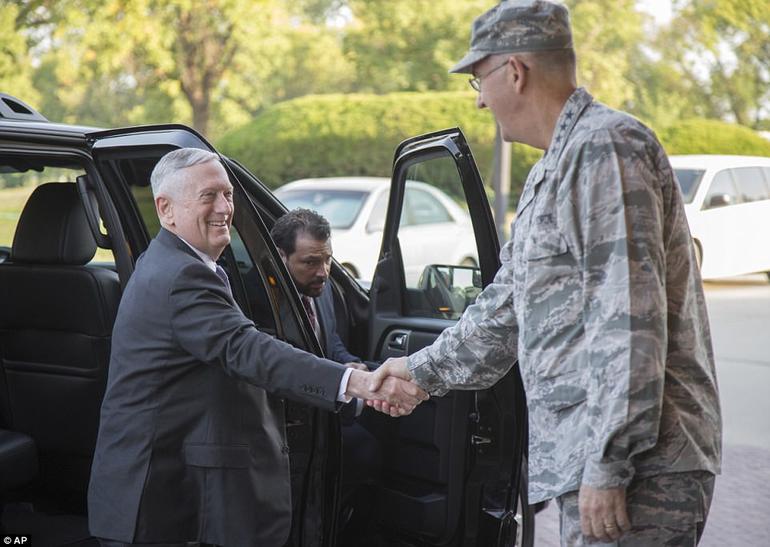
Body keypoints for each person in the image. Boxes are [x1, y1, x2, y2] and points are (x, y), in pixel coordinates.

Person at [371, 1, 722, 545]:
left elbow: (629, 320)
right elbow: (504, 308)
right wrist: (419, 373)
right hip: (597, 461)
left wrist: (608, 464)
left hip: (640, 468)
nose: (481, 98)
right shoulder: (555, 167)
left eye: (478, 80)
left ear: (514, 71)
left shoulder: (603, 148)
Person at [87, 148, 427, 547]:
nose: (225, 207)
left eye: (228, 194)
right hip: (155, 501)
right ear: (166, 209)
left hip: (164, 492)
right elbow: (249, 350)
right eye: (208, 196)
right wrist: (356, 383)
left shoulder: (177, 262)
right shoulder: (181, 276)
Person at [270, 208, 382, 531]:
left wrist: (351, 365)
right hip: (290, 424)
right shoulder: (264, 300)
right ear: (280, 256)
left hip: (329, 409)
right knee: (363, 450)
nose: (323, 271)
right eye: (310, 263)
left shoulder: (323, 288)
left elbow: (330, 343)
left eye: (328, 259)